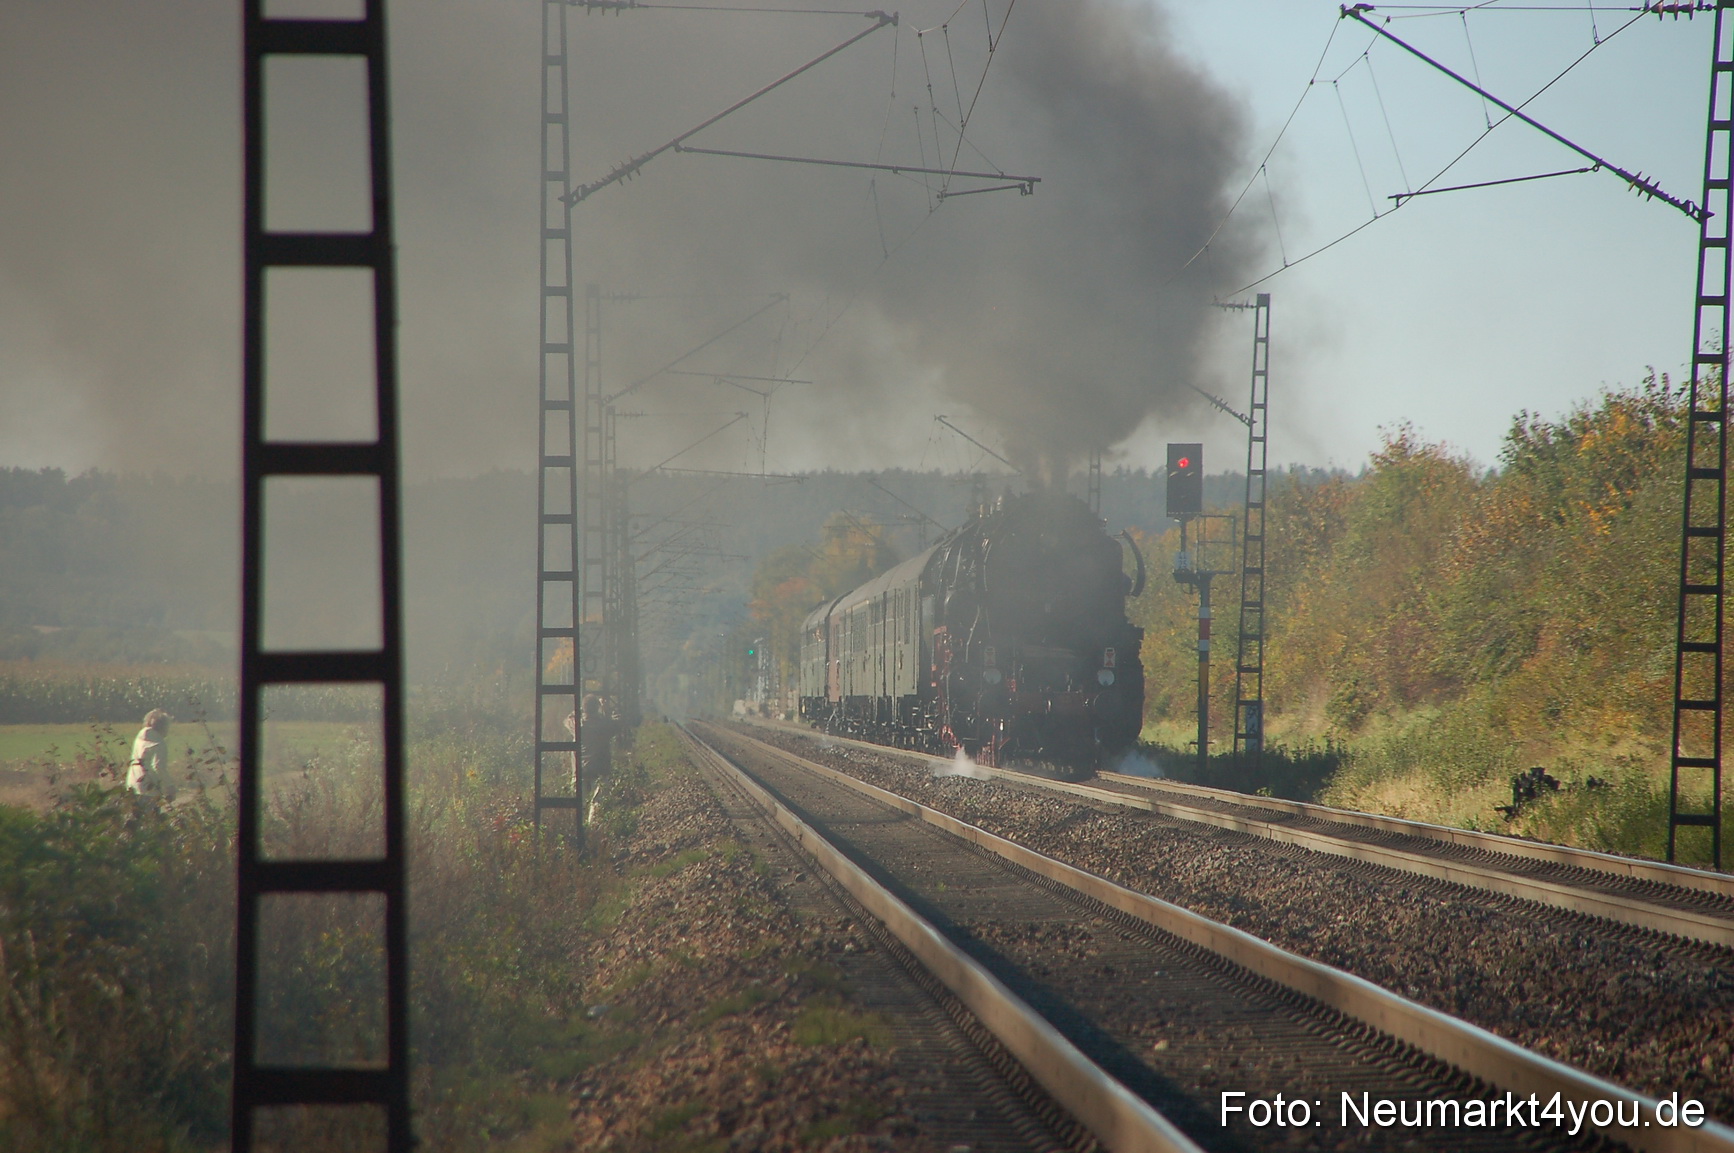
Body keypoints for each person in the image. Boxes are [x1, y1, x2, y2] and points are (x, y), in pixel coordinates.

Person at [125, 709, 176, 801]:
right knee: (151, 813)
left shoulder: (139, 737)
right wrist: (169, 786)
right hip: (148, 786)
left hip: (132, 782)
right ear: (163, 726)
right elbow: (158, 766)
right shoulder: (159, 742)